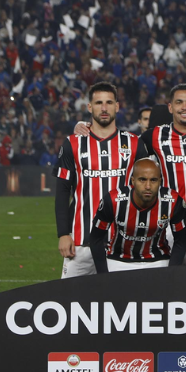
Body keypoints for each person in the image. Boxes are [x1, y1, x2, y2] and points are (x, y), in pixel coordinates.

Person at [53, 82, 146, 278]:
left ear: (117, 106)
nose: (104, 108)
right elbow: (62, 191)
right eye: (98, 103)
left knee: (122, 302)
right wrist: (63, 233)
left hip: (122, 243)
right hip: (81, 243)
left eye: (109, 102)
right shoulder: (73, 144)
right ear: (89, 107)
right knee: (69, 302)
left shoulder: (134, 143)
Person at [89, 158, 186, 272]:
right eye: (142, 180)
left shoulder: (173, 201)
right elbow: (96, 238)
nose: (148, 186)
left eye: (153, 180)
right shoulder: (113, 200)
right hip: (118, 259)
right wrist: (103, 275)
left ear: (160, 181)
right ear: (133, 180)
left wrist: (172, 273)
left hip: (158, 260)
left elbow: (181, 240)